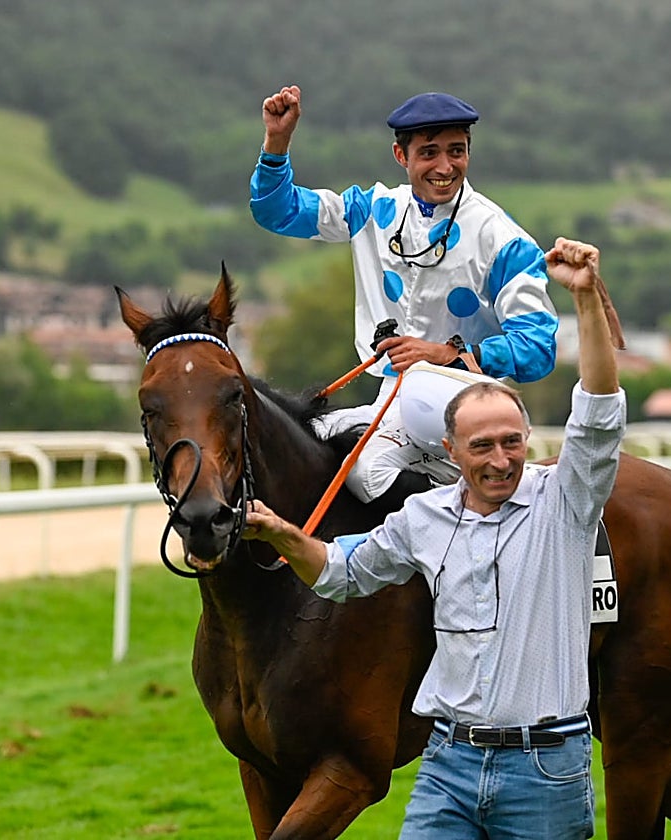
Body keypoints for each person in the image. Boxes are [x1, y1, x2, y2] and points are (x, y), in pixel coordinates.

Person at [242, 236, 625, 839]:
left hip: (545, 770)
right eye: (482, 446)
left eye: (512, 442)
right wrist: (281, 533)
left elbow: (599, 410)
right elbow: (341, 572)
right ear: (450, 452)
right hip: (448, 767)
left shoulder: (566, 502)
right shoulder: (423, 518)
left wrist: (584, 303)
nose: (501, 460)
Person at [250, 85, 562, 503]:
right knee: (302, 439)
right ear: (402, 157)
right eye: (430, 152)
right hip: (396, 397)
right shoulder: (371, 207)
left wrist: (449, 354)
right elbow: (276, 209)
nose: (446, 166)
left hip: (470, 405)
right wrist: (277, 142)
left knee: (367, 469)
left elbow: (538, 348)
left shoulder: (502, 238)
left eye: (457, 151)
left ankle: (457, 534)